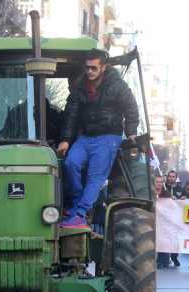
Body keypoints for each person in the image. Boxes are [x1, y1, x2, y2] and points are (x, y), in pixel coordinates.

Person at [57, 49, 139, 228]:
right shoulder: (80, 87)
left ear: (103, 67)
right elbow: (72, 114)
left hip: (109, 137)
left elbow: (131, 109)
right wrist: (65, 139)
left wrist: (131, 131)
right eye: (87, 68)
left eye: (94, 68)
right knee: (70, 163)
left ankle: (80, 214)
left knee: (95, 177)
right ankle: (78, 203)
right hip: (86, 136)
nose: (89, 72)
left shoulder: (118, 86)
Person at [164, 170, 185, 267]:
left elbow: (186, 198)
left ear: (176, 178)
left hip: (176, 218)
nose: (171, 178)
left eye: (173, 176)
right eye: (170, 176)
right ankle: (164, 259)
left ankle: (174, 256)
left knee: (175, 239)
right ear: (167, 177)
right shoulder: (163, 188)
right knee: (164, 238)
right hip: (164, 217)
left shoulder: (180, 188)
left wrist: (184, 198)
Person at [155, 175, 172, 269]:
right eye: (157, 182)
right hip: (152, 218)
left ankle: (163, 261)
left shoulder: (166, 194)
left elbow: (170, 207)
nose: (159, 184)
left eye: (161, 182)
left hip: (163, 221)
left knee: (163, 241)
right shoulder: (149, 193)